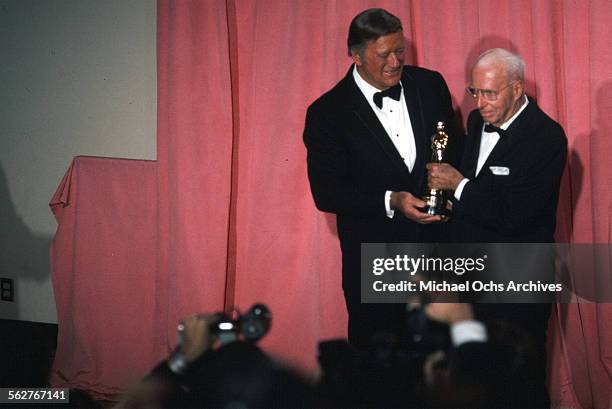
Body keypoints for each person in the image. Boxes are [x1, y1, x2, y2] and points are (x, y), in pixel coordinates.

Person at [303, 8, 458, 349]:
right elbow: (327, 193)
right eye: (383, 54)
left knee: (441, 367)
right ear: (356, 56)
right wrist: (393, 200)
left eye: (399, 50)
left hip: (437, 255)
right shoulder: (327, 112)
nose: (394, 62)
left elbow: (453, 153)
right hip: (375, 262)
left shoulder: (431, 85)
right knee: (379, 376)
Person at [427, 48, 568, 407]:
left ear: (517, 89)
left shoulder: (547, 137)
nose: (480, 103)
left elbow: (515, 215)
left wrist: (457, 185)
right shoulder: (476, 123)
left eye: (490, 93)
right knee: (476, 384)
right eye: (475, 92)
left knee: (521, 383)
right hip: (471, 275)